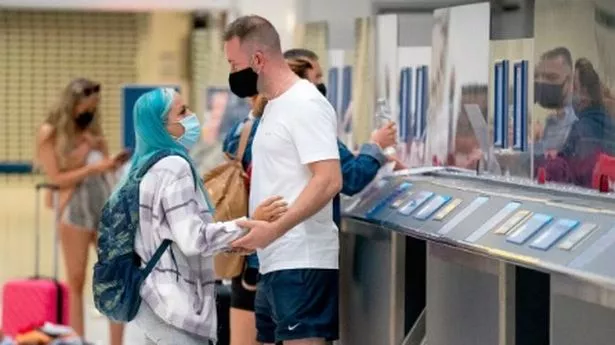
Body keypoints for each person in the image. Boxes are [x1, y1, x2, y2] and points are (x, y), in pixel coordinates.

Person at [221, 50, 396, 345]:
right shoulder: (303, 111)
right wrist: (374, 148)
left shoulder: (253, 124)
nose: (320, 87)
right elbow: (346, 177)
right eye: (316, 79)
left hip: (260, 256)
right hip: (295, 255)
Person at [223, 15, 343, 345]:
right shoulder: (274, 106)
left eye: (234, 65)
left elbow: (329, 180)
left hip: (302, 262)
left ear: (258, 60)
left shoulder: (305, 104)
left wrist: (276, 228)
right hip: (274, 261)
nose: (232, 75)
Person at [124, 87, 275, 345]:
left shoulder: (145, 166)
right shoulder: (174, 169)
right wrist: (247, 225)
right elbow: (193, 238)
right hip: (178, 304)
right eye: (182, 112)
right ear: (163, 127)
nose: (192, 115)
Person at [35, 78, 125, 345]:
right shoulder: (50, 133)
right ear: (73, 104)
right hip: (74, 210)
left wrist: (107, 157)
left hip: (104, 207)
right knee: (76, 280)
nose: (91, 111)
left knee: (114, 277)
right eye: (87, 105)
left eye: (95, 106)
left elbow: (106, 169)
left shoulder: (92, 132)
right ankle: (78, 340)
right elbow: (55, 179)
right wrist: (88, 164)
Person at [544, 58, 615, 187]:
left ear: (585, 94)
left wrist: (552, 160)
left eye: (574, 88)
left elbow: (563, 173)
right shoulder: (610, 126)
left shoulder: (580, 131)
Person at [534, 47, 578, 157]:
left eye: (551, 77)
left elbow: (555, 159)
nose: (542, 83)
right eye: (537, 76)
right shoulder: (552, 121)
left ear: (570, 80)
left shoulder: (576, 120)